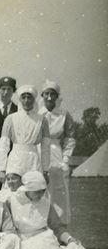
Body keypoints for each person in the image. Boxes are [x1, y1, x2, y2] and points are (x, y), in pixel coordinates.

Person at [7, 171, 90, 249]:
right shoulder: (12, 201)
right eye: (37, 192)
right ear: (27, 189)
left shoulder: (46, 204)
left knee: (61, 246)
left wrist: (69, 239)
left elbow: (57, 228)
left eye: (43, 191)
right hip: (23, 239)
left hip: (44, 237)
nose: (41, 194)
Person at [0, 85, 50, 186]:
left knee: (33, 190)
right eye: (23, 97)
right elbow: (4, 145)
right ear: (20, 99)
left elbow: (45, 147)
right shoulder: (10, 119)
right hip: (15, 160)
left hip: (33, 161)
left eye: (29, 97)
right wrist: (2, 169)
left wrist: (45, 169)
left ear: (34, 99)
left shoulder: (42, 120)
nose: (26, 100)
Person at [40, 80, 75, 225]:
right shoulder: (37, 113)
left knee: (58, 191)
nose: (49, 97)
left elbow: (70, 138)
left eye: (52, 94)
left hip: (55, 153)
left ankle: (60, 225)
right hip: (40, 151)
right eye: (46, 94)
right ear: (42, 95)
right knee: (40, 187)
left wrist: (66, 159)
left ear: (56, 96)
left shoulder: (64, 114)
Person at [0, 76, 18, 185]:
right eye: (3, 89)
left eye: (9, 89)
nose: (5, 93)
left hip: (13, 156)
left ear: (13, 91)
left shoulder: (18, 111)